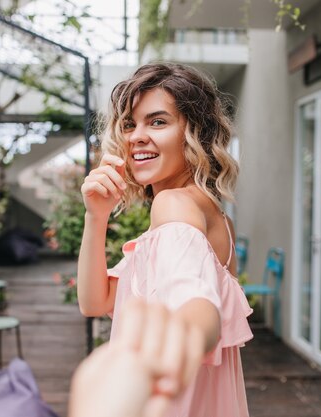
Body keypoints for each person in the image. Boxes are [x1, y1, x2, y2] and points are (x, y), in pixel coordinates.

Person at [76, 62, 254, 417]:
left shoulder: (172, 204)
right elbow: (95, 302)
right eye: (129, 124)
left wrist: (175, 348)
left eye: (157, 121)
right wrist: (95, 217)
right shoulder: (217, 220)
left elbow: (198, 307)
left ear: (195, 133)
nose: (136, 136)